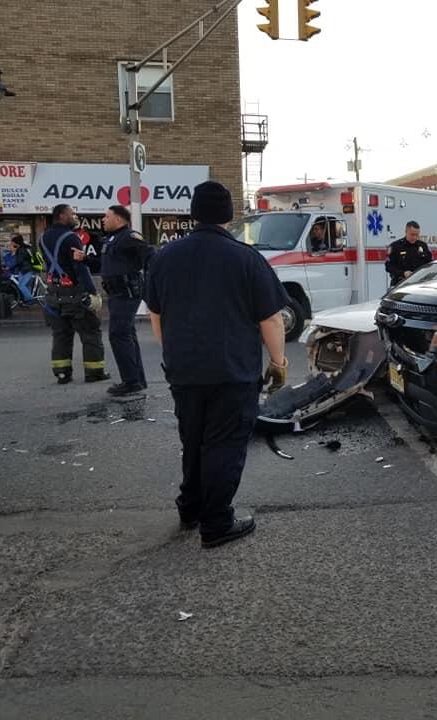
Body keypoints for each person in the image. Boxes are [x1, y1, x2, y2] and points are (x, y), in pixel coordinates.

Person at [145, 181, 290, 549]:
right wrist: (279, 362)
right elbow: (271, 319)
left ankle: (191, 507)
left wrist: (173, 352)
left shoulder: (165, 256)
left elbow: (156, 314)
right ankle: (216, 522)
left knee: (193, 439)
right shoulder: (245, 258)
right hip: (232, 370)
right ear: (229, 215)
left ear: (193, 213)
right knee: (224, 444)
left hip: (183, 369)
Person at [40, 204, 109, 385]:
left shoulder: (43, 237)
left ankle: (62, 373)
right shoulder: (71, 238)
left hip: (54, 294)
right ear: (62, 216)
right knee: (90, 332)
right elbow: (80, 267)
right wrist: (93, 292)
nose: (76, 216)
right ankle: (94, 372)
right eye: (73, 214)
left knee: (61, 335)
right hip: (74, 293)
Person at [101, 204, 154, 396]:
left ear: (119, 219)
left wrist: (150, 283)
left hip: (126, 292)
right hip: (116, 294)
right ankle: (136, 379)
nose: (103, 219)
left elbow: (150, 255)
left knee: (119, 335)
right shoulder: (111, 240)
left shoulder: (129, 237)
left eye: (107, 216)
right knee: (126, 335)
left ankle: (131, 381)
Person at [385, 220, 432, 286]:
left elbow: (430, 264)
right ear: (406, 232)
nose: (415, 237)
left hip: (419, 284)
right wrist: (403, 273)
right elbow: (388, 267)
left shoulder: (423, 246)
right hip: (400, 283)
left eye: (417, 235)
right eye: (412, 234)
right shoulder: (396, 246)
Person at [8, 235, 35, 302]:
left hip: (27, 270)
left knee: (21, 286)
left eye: (13, 243)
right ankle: (28, 302)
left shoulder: (21, 250)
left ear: (16, 243)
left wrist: (10, 267)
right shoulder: (24, 248)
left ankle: (30, 299)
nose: (12, 244)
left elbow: (19, 261)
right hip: (24, 270)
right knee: (27, 286)